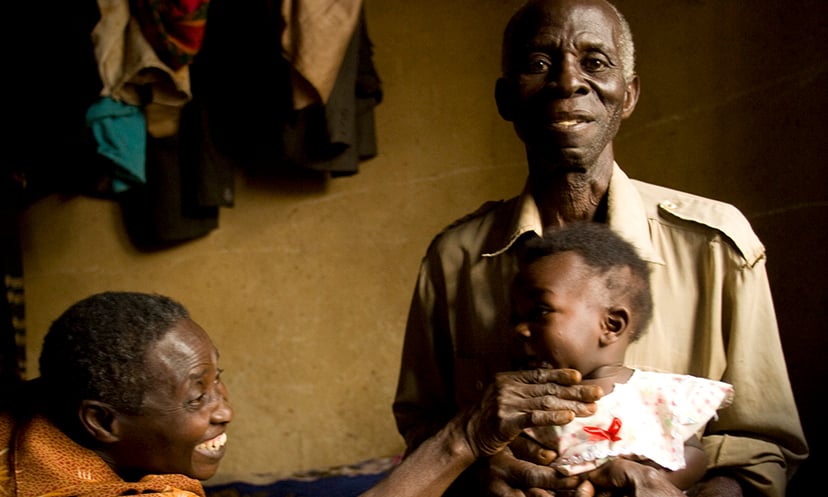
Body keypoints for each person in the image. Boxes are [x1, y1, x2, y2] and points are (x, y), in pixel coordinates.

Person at [392, 0, 808, 496]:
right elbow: (428, 434)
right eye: (538, 64)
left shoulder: (715, 246)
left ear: (628, 95)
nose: (567, 83)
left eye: (595, 62)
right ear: (507, 99)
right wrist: (480, 475)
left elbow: (760, 448)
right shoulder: (455, 259)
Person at [0, 291, 603, 497]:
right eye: (195, 399)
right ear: (100, 422)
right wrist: (464, 436)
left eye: (219, 380)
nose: (225, 409)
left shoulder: (29, 414)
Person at [512, 222, 734, 491]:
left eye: (540, 312)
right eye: (516, 318)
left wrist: (654, 482)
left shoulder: (658, 396)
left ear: (611, 325)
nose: (519, 330)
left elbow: (694, 455)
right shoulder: (525, 403)